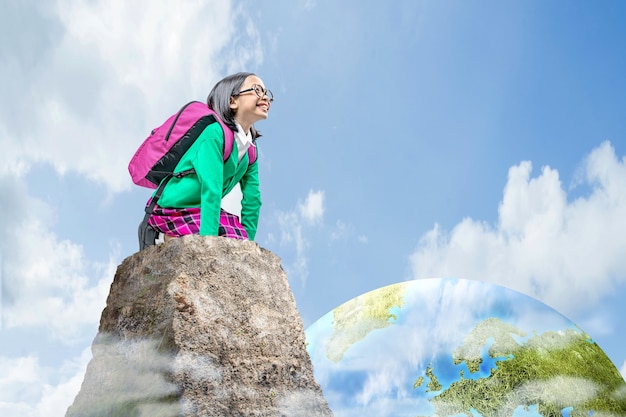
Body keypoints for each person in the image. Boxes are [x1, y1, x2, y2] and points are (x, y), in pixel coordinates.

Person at [145, 72, 272, 242]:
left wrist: (247, 244)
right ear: (232, 101)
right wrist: (208, 242)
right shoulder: (214, 134)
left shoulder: (250, 151)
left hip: (200, 208)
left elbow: (253, 199)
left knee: (236, 237)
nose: (264, 96)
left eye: (266, 92)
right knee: (209, 234)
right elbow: (211, 188)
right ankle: (163, 236)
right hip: (172, 207)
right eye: (257, 89)